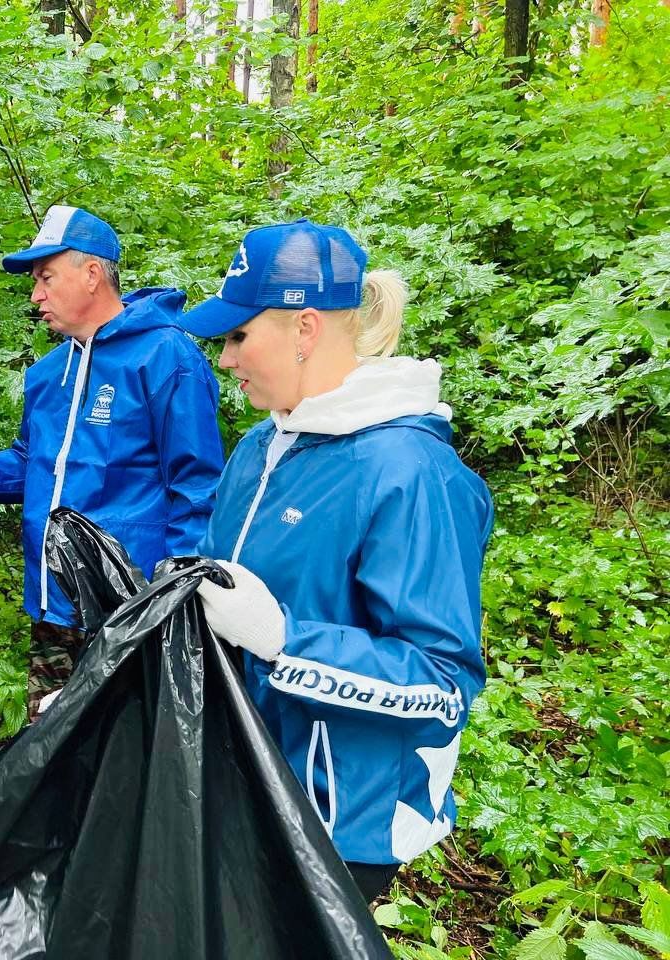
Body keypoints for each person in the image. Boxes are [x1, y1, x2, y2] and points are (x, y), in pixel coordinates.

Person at [181, 218, 492, 903]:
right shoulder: (261, 448)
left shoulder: (410, 473)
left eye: (238, 336)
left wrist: (284, 640)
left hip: (339, 824)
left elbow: (443, 686)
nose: (225, 360)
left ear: (305, 327)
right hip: (242, 788)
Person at [0, 205, 224, 715]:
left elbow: (198, 486)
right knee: (50, 745)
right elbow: (34, 462)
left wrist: (175, 593)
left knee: (126, 751)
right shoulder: (48, 373)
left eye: (46, 278)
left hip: (131, 607)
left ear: (93, 273)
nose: (35, 296)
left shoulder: (165, 357)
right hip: (53, 604)